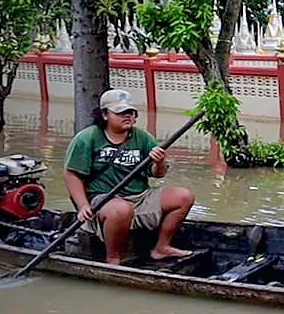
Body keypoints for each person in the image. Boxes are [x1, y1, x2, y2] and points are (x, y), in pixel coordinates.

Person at [63, 89, 197, 264]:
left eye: (130, 112)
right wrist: (82, 206)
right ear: (105, 115)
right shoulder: (87, 138)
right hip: (104, 199)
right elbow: (72, 174)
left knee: (184, 196)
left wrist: (159, 162)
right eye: (120, 112)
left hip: (140, 196)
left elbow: (158, 174)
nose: (127, 116)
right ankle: (113, 257)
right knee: (121, 209)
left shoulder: (142, 137)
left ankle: (161, 247)